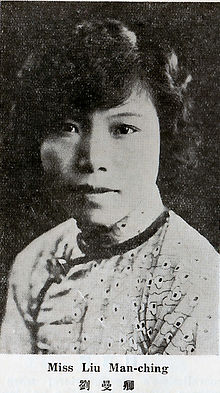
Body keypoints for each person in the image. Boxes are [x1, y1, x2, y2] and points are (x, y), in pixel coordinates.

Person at [0, 19, 219, 355]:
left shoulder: (198, 279)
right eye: (67, 126)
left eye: (124, 129)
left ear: (165, 135)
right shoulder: (33, 263)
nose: (92, 158)